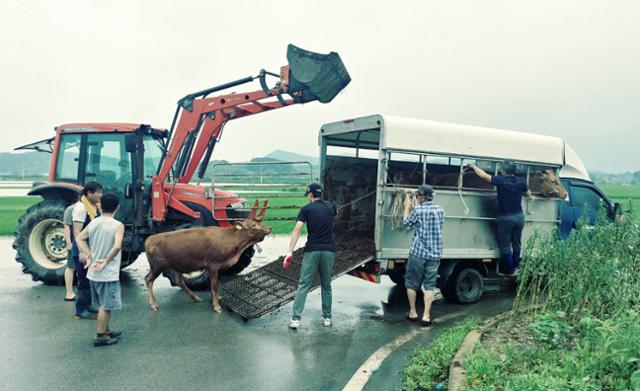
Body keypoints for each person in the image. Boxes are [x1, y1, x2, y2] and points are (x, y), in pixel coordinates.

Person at [76, 193, 125, 347]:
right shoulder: (117, 225)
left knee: (101, 305)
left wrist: (88, 254)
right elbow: (117, 246)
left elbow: (79, 238)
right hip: (107, 274)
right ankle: (100, 336)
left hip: (94, 273)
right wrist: (106, 261)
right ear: (118, 207)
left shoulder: (94, 222)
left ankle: (105, 328)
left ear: (101, 206)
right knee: (106, 306)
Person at [286, 183, 337, 329]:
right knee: (326, 285)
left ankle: (296, 319)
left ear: (310, 194)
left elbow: (297, 230)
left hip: (312, 250)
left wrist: (290, 251)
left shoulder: (306, 209)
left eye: (308, 195)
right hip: (328, 251)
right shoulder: (331, 207)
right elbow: (335, 212)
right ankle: (327, 318)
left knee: (303, 284)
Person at [466, 161, 531, 275]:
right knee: (516, 243)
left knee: (505, 246)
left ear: (503, 171)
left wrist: (473, 166)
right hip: (519, 217)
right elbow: (528, 194)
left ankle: (509, 270)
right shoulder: (521, 182)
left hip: (506, 218)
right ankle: (516, 267)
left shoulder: (501, 181)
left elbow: (484, 176)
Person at [403, 185, 445, 326]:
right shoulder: (440, 210)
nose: (416, 198)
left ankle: (413, 313)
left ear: (423, 196)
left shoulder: (418, 210)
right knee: (429, 286)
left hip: (418, 253)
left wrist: (407, 207)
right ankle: (426, 316)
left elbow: (406, 224)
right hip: (434, 254)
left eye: (417, 195)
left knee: (412, 284)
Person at [72, 181, 103, 319]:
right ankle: (80, 310)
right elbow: (77, 233)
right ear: (89, 193)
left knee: (88, 278)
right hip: (82, 249)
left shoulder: (93, 206)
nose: (100, 195)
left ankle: (88, 305)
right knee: (83, 279)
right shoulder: (81, 208)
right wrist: (83, 252)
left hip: (90, 247)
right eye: (98, 192)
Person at [62, 203, 76, 301]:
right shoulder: (71, 209)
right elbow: (66, 227)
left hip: (84, 241)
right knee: (71, 267)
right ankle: (69, 293)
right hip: (74, 241)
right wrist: (68, 243)